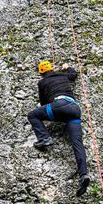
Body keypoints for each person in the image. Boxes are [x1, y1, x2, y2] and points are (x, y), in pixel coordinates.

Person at [28, 60, 90, 196]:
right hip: (74, 109)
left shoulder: (42, 82)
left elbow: (43, 102)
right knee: (77, 144)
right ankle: (83, 174)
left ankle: (44, 138)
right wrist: (68, 68)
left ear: (41, 73)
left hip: (58, 105)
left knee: (33, 115)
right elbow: (73, 75)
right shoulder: (63, 75)